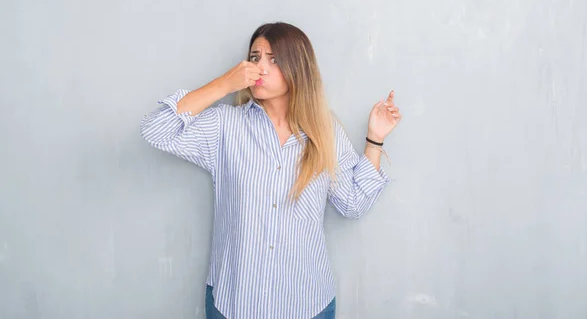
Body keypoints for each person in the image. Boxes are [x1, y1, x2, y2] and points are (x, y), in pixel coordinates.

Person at [140, 22, 402, 319]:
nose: (260, 67)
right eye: (255, 57)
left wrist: (375, 139)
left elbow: (353, 204)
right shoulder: (225, 126)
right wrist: (225, 83)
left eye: (273, 59)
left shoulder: (324, 133)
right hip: (234, 304)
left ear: (297, 67)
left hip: (307, 305)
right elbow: (156, 130)